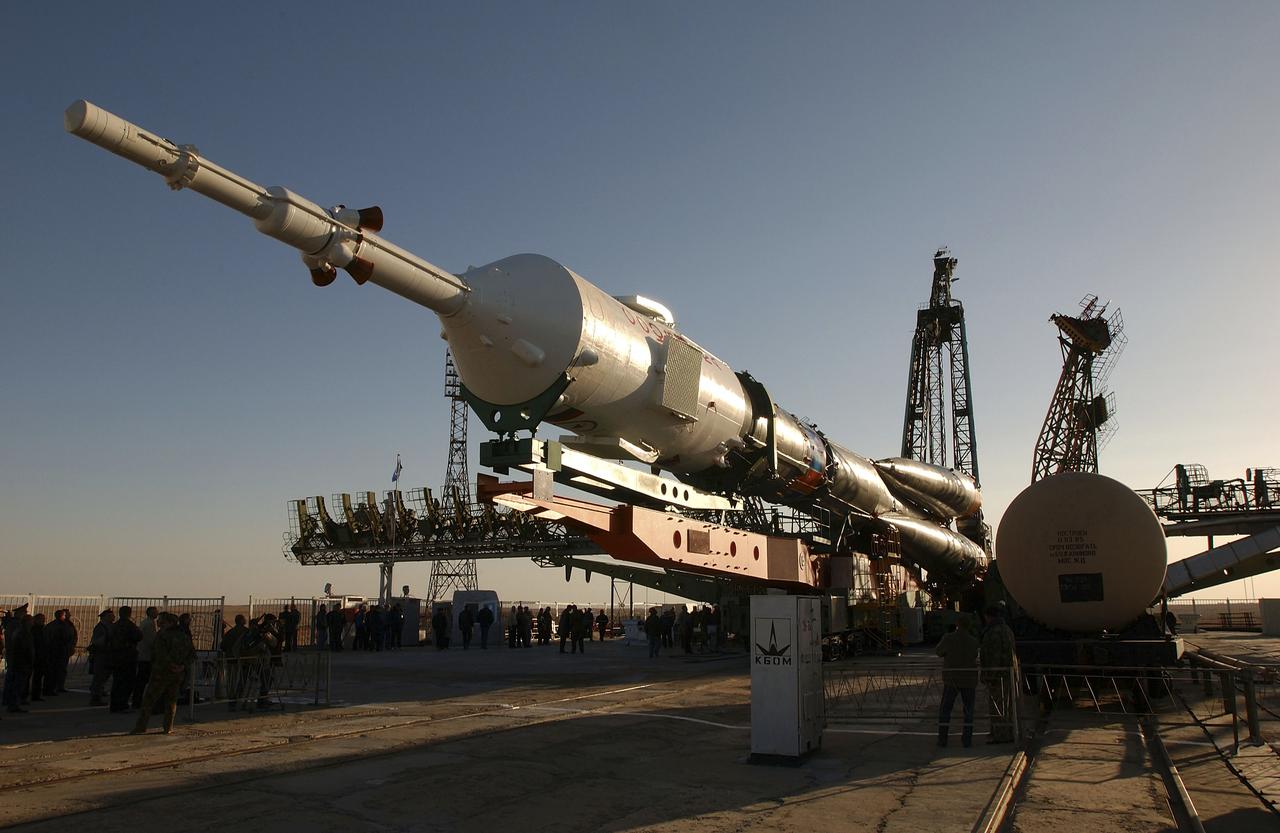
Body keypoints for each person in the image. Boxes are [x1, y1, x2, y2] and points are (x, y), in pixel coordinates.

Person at [131, 612, 196, 735]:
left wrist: (172, 665)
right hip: (177, 674)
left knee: (149, 700)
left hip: (161, 673)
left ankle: (141, 726)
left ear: (169, 623)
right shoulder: (184, 636)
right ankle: (168, 727)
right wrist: (182, 666)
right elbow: (192, 654)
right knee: (171, 701)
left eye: (162, 621)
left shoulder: (162, 636)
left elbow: (160, 654)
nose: (159, 623)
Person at [935, 616, 981, 748]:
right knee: (968, 710)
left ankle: (942, 738)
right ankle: (967, 739)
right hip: (969, 679)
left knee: (945, 709)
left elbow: (938, 651)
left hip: (952, 678)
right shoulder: (973, 641)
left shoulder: (948, 638)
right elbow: (974, 655)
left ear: (957, 624)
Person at [980, 605, 1018, 744]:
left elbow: (994, 655)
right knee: (1008, 706)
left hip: (998, 675)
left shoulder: (993, 632)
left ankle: (1001, 735)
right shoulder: (1007, 629)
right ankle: (1009, 732)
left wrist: (990, 675)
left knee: (998, 706)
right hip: (1009, 673)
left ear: (988, 616)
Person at [108, 605, 143, 713]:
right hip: (127, 657)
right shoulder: (129, 625)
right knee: (127, 682)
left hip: (116, 657)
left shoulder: (115, 626)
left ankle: (115, 704)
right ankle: (122, 704)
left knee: (117, 682)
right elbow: (139, 636)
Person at [3, 606, 34, 713]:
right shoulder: (19, 630)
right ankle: (13, 703)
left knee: (14, 681)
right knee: (16, 683)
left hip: (17, 659)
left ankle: (12, 702)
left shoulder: (18, 628)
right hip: (19, 660)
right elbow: (23, 647)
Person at [88, 608, 115, 706]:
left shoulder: (109, 626)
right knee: (99, 676)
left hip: (107, 654)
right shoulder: (100, 628)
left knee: (104, 675)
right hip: (101, 654)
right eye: (110, 616)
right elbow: (97, 642)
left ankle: (98, 691)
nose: (113, 618)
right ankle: (95, 697)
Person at [134, 606, 159, 710]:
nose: (157, 613)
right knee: (143, 680)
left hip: (143, 654)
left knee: (142, 680)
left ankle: (138, 700)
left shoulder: (146, 622)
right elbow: (151, 641)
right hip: (146, 656)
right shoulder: (150, 624)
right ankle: (139, 701)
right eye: (155, 612)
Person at [29, 613, 48, 702]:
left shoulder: (43, 629)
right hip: (35, 655)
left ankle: (36, 694)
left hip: (41, 655)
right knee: (35, 676)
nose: (43, 621)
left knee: (39, 676)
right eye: (41, 619)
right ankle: (32, 694)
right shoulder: (34, 630)